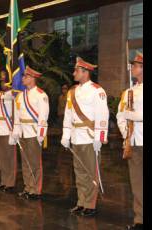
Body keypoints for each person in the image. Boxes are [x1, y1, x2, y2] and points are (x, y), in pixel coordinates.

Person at [61, 57, 109, 217]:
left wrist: (99, 137)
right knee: (79, 172)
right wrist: (66, 135)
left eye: (76, 70)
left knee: (90, 172)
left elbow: (103, 115)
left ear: (85, 72)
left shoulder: (97, 91)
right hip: (76, 137)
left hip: (89, 137)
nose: (74, 73)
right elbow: (68, 115)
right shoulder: (72, 92)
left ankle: (90, 204)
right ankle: (81, 202)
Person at [12, 66, 49, 200]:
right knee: (25, 162)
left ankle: (36, 189)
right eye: (23, 76)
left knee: (34, 162)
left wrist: (41, 133)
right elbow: (17, 115)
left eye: (25, 77)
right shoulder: (20, 96)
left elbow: (43, 116)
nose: (22, 79)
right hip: (23, 132)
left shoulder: (41, 95)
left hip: (34, 132)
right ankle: (28, 187)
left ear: (32, 78)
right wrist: (15, 131)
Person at [116, 52, 143, 230]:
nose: (132, 68)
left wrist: (130, 115)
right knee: (137, 183)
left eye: (135, 65)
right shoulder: (128, 92)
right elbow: (120, 114)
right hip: (133, 141)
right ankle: (140, 219)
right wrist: (126, 131)